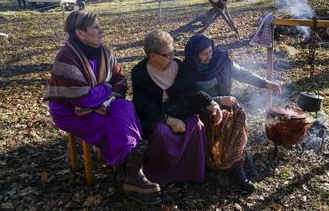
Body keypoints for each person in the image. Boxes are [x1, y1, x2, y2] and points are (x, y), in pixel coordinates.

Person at [43, 10, 160, 203]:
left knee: (124, 107)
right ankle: (132, 169)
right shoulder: (66, 57)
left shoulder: (105, 52)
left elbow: (120, 80)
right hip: (70, 111)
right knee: (111, 124)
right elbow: (81, 97)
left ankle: (131, 168)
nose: (101, 30)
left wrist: (107, 100)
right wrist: (106, 88)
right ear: (80, 33)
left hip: (103, 104)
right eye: (96, 27)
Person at [184, 33, 282, 192]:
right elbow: (190, 97)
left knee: (239, 114)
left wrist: (266, 83)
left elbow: (242, 73)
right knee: (224, 119)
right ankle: (231, 167)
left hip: (224, 104)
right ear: (194, 54)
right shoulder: (187, 70)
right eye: (204, 54)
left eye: (211, 51)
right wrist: (219, 100)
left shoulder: (220, 60)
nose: (210, 56)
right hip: (201, 109)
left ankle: (236, 162)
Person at [131, 30, 222, 185]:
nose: (172, 57)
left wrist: (210, 102)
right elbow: (142, 105)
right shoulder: (139, 72)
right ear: (153, 55)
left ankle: (191, 173)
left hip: (181, 110)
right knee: (162, 133)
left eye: (173, 52)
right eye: (168, 55)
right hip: (157, 115)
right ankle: (162, 174)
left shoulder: (178, 66)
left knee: (197, 126)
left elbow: (191, 90)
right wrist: (168, 120)